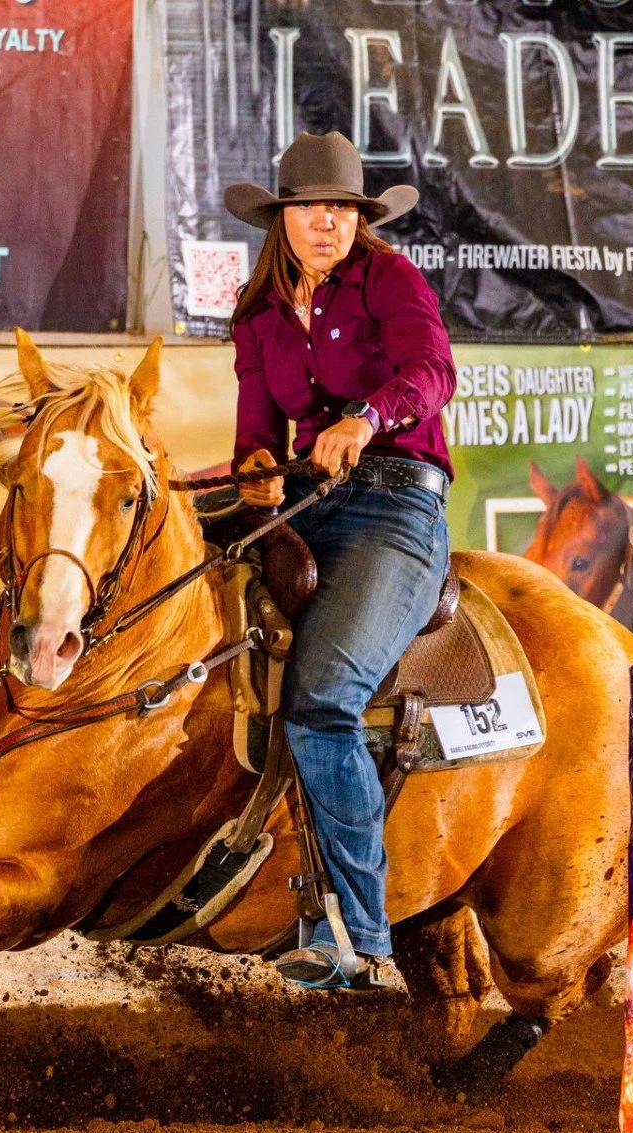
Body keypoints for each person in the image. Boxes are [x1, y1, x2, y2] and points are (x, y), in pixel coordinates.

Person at [224, 131, 457, 989]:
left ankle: (362, 936)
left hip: (396, 502)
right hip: (302, 505)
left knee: (321, 700)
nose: (325, 221)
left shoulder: (389, 279)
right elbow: (256, 434)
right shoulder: (256, 317)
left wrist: (365, 419)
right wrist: (250, 472)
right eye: (308, 207)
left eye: (341, 209)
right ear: (280, 217)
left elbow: (433, 371)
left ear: (360, 219)